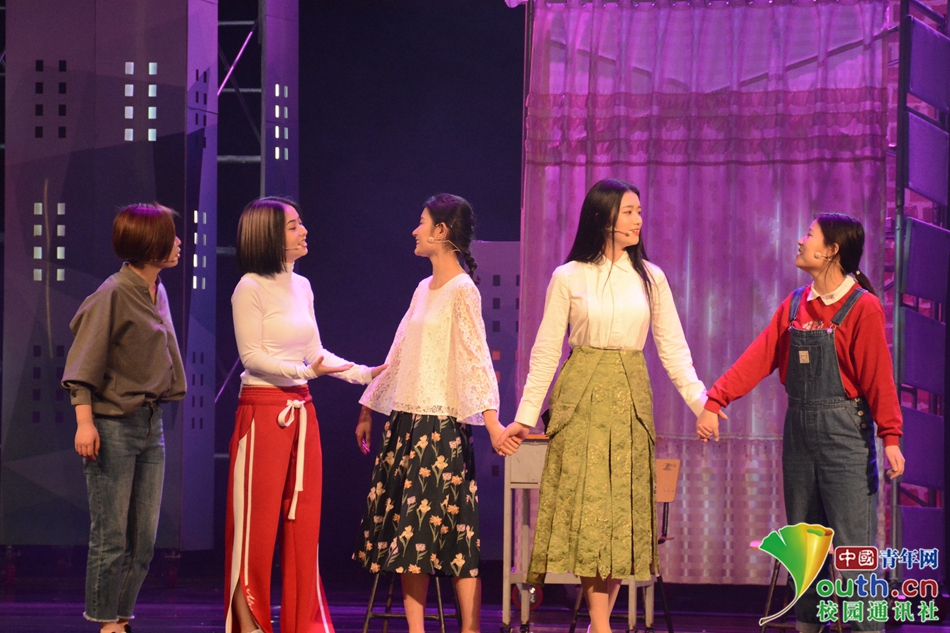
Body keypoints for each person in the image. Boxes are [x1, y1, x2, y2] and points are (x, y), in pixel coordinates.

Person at [500, 179, 717, 633]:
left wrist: (702, 402)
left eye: (639, 211)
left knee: (620, 516)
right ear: (603, 217)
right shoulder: (569, 276)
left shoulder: (651, 278)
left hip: (629, 400)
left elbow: (673, 349)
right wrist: (524, 417)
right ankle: (600, 624)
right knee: (588, 513)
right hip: (580, 399)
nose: (638, 220)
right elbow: (546, 351)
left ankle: (600, 623)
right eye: (629, 211)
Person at [695, 213, 905, 633]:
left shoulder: (862, 306)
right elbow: (758, 357)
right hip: (799, 434)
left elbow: (878, 378)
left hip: (845, 436)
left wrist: (891, 436)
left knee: (853, 551)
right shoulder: (794, 305)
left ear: (831, 251)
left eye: (810, 235)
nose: (800, 240)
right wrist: (715, 400)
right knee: (805, 547)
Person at [353, 193, 521, 633]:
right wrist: (369, 405)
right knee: (409, 538)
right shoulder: (421, 289)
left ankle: (469, 629)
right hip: (407, 423)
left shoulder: (462, 290)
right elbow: (399, 350)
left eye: (422, 222)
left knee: (456, 536)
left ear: (441, 231)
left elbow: (476, 359)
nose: (415, 230)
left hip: (440, 427)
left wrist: (492, 422)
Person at [225, 197, 386, 633]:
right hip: (263, 411)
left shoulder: (303, 286)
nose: (304, 231)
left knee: (304, 523)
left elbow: (315, 353)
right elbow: (252, 358)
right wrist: (303, 372)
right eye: (294, 226)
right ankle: (250, 623)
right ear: (269, 236)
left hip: (301, 411)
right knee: (256, 526)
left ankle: (306, 624)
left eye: (300, 224)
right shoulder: (249, 287)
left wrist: (363, 373)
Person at [63, 203, 186, 633]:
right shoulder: (112, 293)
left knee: (144, 540)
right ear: (150, 245)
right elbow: (82, 365)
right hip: (113, 425)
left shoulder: (157, 290)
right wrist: (85, 423)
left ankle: (121, 615)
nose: (178, 243)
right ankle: (105, 622)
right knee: (111, 535)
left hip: (151, 423)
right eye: (170, 236)